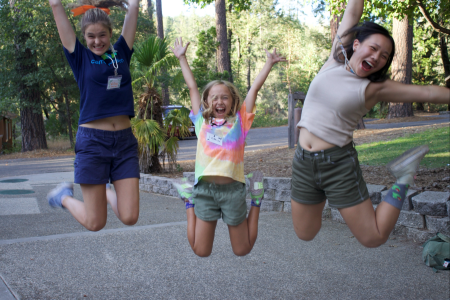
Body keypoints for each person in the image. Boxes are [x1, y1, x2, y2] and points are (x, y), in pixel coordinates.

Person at [291, 0, 449, 248]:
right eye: (373, 48)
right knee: (305, 233)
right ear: (356, 44)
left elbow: (427, 93)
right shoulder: (334, 61)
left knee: (373, 237)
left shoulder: (374, 88)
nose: (376, 57)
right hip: (303, 161)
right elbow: (353, 10)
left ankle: (404, 176)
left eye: (384, 56)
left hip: (337, 164)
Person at [170, 37, 285, 257]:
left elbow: (253, 92)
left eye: (225, 98)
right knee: (200, 250)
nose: (220, 102)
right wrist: (182, 58)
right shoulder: (200, 123)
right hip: (204, 192)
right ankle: (188, 201)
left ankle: (257, 199)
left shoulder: (240, 124)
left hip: (233, 192)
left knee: (242, 249)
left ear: (232, 102)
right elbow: (192, 87)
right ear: (206, 102)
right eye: (214, 98)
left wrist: (268, 64)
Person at [46, 0, 140, 231]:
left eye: (102, 35)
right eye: (90, 36)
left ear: (110, 34)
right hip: (93, 143)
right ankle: (63, 197)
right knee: (95, 223)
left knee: (129, 217)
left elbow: (134, 9)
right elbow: (56, 5)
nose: (97, 41)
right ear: (84, 37)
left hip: (125, 143)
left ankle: (106, 191)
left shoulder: (122, 52)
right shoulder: (79, 57)